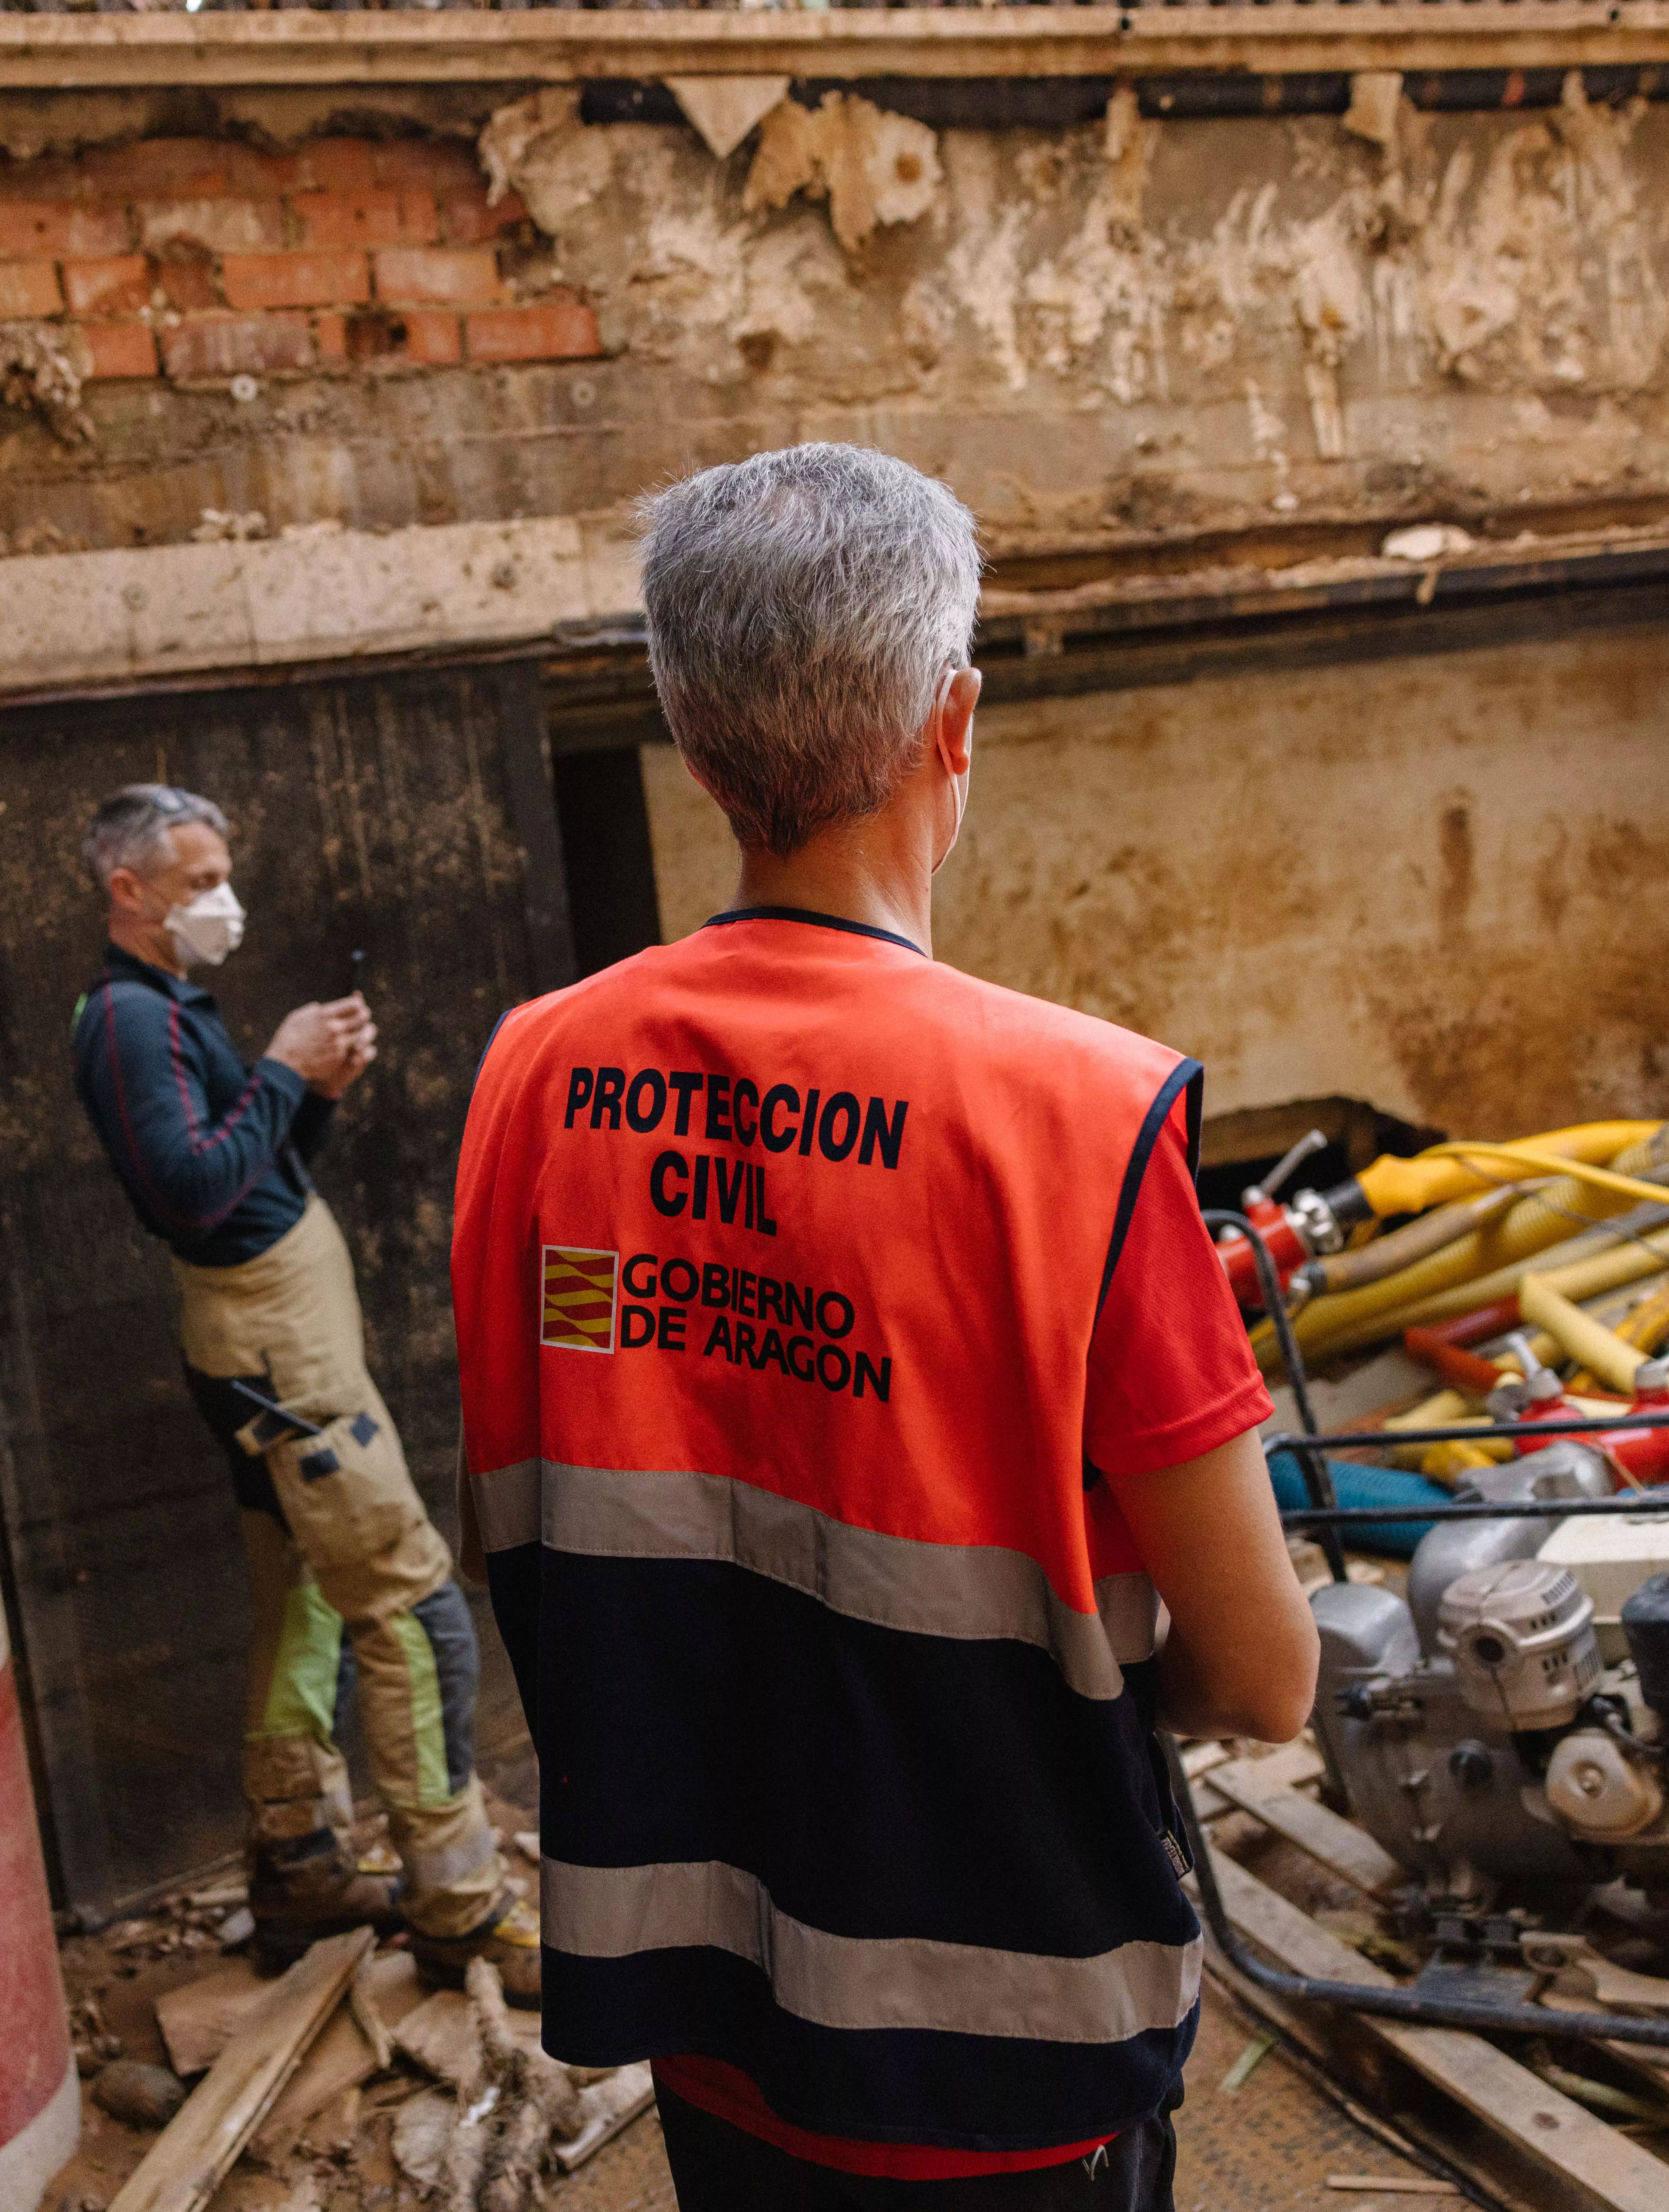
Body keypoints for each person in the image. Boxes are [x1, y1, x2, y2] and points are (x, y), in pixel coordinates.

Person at [449, 445, 1315, 2201]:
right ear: (953, 720)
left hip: (708, 2018)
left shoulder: (529, 1077)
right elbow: (1263, 1674)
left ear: (693, 745)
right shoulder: (1077, 1118)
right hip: (1007, 2063)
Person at [71, 784, 538, 1997]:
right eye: (197, 880)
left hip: (273, 1349)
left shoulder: (168, 1008)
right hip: (281, 1363)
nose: (222, 900)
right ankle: (459, 1901)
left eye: (224, 873)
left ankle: (298, 1860)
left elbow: (247, 1176)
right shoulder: (125, 1020)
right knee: (415, 1608)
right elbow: (186, 1192)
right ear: (129, 891)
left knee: (304, 1602)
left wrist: (310, 1098)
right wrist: (283, 1067)